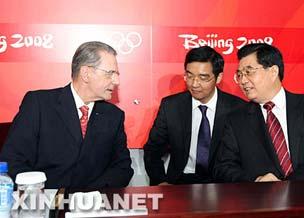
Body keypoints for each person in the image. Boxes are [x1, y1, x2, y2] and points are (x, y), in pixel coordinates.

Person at [0, 41, 133, 188]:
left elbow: (122, 167)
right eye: (110, 73)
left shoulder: (114, 116)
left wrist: (91, 196)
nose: (116, 81)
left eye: (116, 74)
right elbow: (13, 160)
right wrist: (38, 197)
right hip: (44, 203)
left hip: (94, 204)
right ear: (86, 73)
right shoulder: (39, 104)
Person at [213, 43, 304, 182]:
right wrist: (256, 180)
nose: (243, 80)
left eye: (249, 72)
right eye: (239, 74)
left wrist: (289, 184)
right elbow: (223, 167)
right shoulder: (235, 119)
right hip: (261, 200)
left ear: (273, 71)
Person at [144, 46, 245, 185]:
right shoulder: (171, 106)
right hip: (181, 181)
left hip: (223, 184)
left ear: (219, 77)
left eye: (203, 78)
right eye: (189, 76)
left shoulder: (238, 108)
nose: (194, 84)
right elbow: (153, 150)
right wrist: (161, 182)